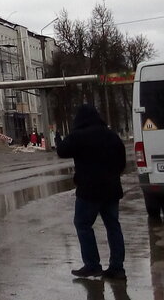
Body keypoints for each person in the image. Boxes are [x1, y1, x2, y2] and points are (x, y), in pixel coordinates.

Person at [57, 104, 127, 280]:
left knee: (83, 224)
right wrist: (112, 176)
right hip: (111, 190)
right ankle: (117, 267)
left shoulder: (78, 136)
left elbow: (62, 151)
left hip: (89, 191)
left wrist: (62, 137)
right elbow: (122, 162)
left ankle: (92, 265)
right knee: (113, 226)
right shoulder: (111, 135)